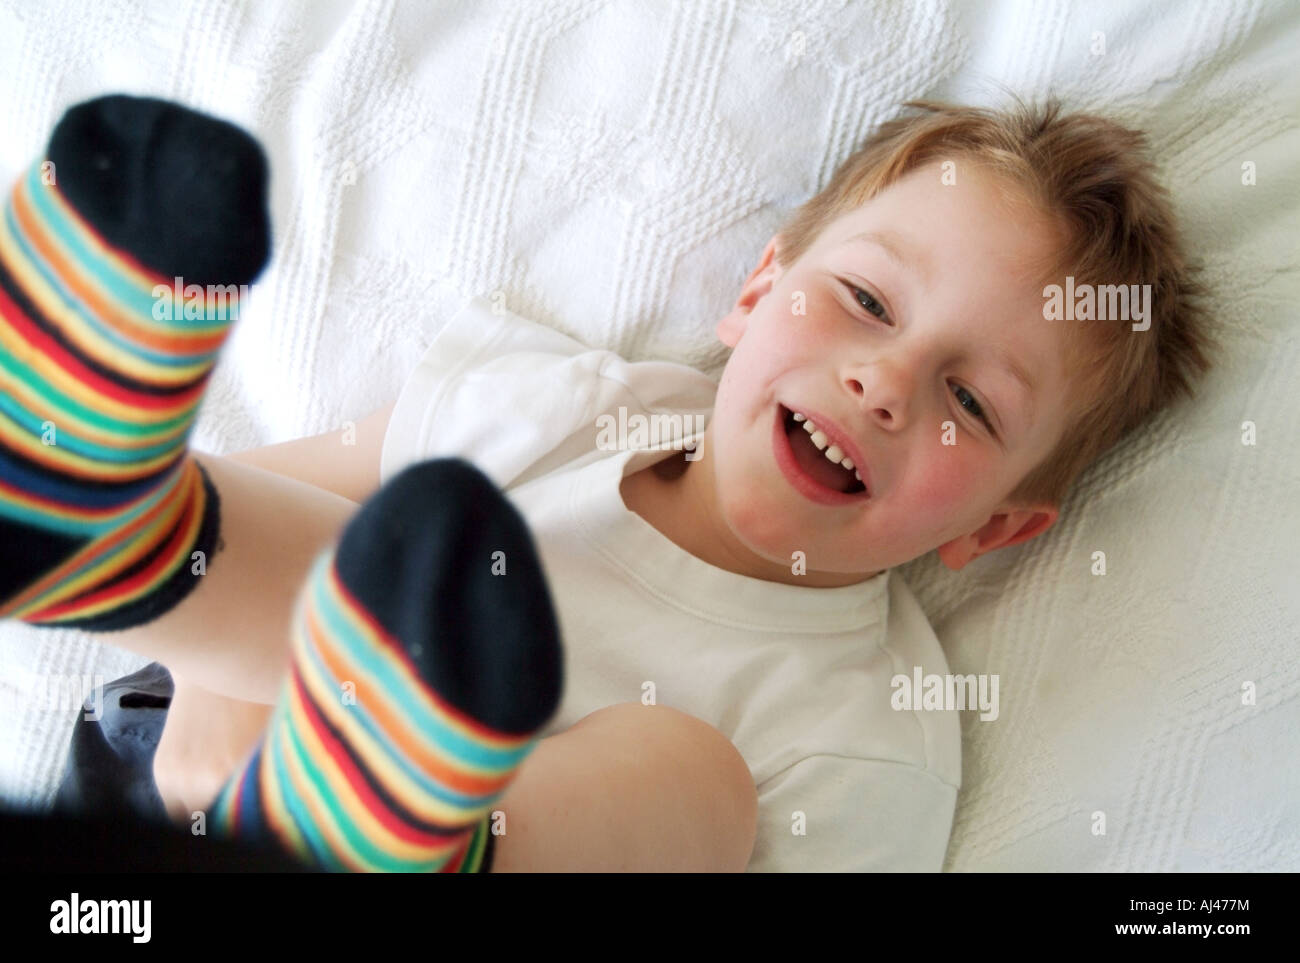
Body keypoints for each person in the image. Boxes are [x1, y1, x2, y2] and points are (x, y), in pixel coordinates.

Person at [0, 92, 1212, 872]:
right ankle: (75, 516)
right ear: (754, 292)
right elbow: (272, 506)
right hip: (176, 783)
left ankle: (418, 839)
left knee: (692, 777)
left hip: (404, 844)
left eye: (970, 402)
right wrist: (226, 723)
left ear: (995, 527)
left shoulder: (866, 734)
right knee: (349, 545)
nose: (886, 382)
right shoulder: (568, 408)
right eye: (865, 300)